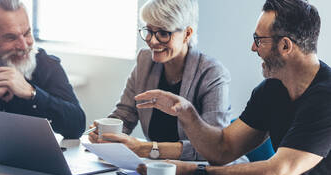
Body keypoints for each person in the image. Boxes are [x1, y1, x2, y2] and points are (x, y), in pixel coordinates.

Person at [136, 0, 331, 175]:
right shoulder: (272, 89)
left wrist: (194, 173)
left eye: (259, 40)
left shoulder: (326, 97)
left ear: (285, 45)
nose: (253, 48)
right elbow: (223, 149)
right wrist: (187, 113)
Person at [89, 0, 247, 163]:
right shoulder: (145, 61)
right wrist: (105, 136)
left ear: (187, 33)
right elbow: (125, 114)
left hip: (200, 173)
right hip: (158, 168)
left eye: (163, 33)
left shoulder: (212, 74)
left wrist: (145, 148)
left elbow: (214, 148)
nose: (153, 41)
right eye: (149, 31)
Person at [0, 0, 86, 138]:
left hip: (34, 156)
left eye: (26, 33)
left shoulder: (46, 64)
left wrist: (32, 94)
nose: (24, 46)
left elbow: (77, 126)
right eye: (11, 37)